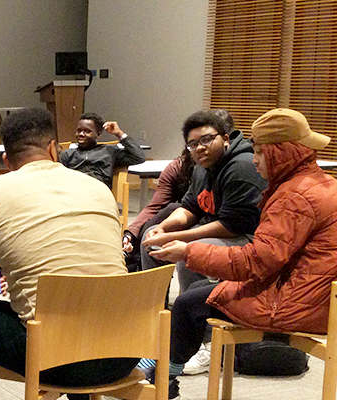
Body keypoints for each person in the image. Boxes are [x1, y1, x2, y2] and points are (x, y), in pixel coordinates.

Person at [0, 108, 137, 400]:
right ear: (54, 150)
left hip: (57, 360)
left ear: (6, 161)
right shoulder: (100, 189)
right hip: (127, 350)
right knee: (81, 301)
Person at [148, 108, 337, 397]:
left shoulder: (294, 196)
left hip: (296, 304)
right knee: (200, 290)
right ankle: (161, 370)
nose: (254, 159)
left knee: (188, 303)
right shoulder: (318, 183)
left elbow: (255, 261)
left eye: (260, 152)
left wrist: (189, 252)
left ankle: (162, 382)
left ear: (280, 152)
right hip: (315, 296)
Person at [140, 110, 267, 294]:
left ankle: (191, 312)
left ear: (225, 139)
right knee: (150, 238)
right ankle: (154, 307)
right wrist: (164, 227)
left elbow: (231, 226)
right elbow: (189, 207)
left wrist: (176, 238)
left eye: (206, 140)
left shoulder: (241, 167)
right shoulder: (202, 167)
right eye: (192, 144)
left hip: (248, 238)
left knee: (189, 254)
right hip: (218, 231)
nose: (199, 148)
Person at [59, 112, 145, 188]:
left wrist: (119, 133)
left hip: (100, 193)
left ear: (98, 135)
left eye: (87, 131)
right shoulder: (68, 154)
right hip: (75, 192)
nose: (81, 134)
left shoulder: (109, 151)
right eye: (79, 130)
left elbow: (138, 157)